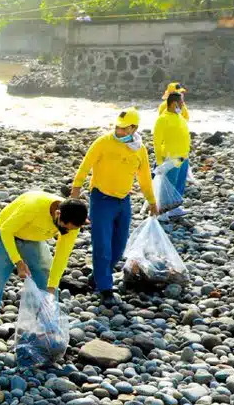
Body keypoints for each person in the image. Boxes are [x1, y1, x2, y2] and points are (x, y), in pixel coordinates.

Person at [0, 193, 88, 348]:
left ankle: (49, 334)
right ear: (58, 214)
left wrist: (51, 286)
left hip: (34, 241)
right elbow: (7, 230)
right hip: (6, 236)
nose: (66, 232)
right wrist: (18, 262)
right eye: (64, 227)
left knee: (49, 286)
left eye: (71, 229)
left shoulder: (72, 223)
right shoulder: (32, 207)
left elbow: (62, 256)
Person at [71, 108, 158, 300]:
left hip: (123, 200)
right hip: (101, 199)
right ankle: (105, 288)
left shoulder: (139, 149)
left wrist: (151, 200)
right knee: (102, 245)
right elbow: (85, 165)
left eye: (123, 128)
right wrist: (76, 188)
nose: (119, 131)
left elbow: (144, 177)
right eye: (117, 127)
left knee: (119, 246)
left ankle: (99, 276)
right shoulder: (103, 142)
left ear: (134, 128)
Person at [152, 91, 191, 219]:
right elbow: (157, 143)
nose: (183, 105)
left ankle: (175, 208)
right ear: (174, 104)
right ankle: (162, 212)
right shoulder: (162, 119)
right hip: (171, 158)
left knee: (180, 182)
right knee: (168, 185)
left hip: (183, 157)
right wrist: (159, 163)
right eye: (181, 102)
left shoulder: (179, 117)